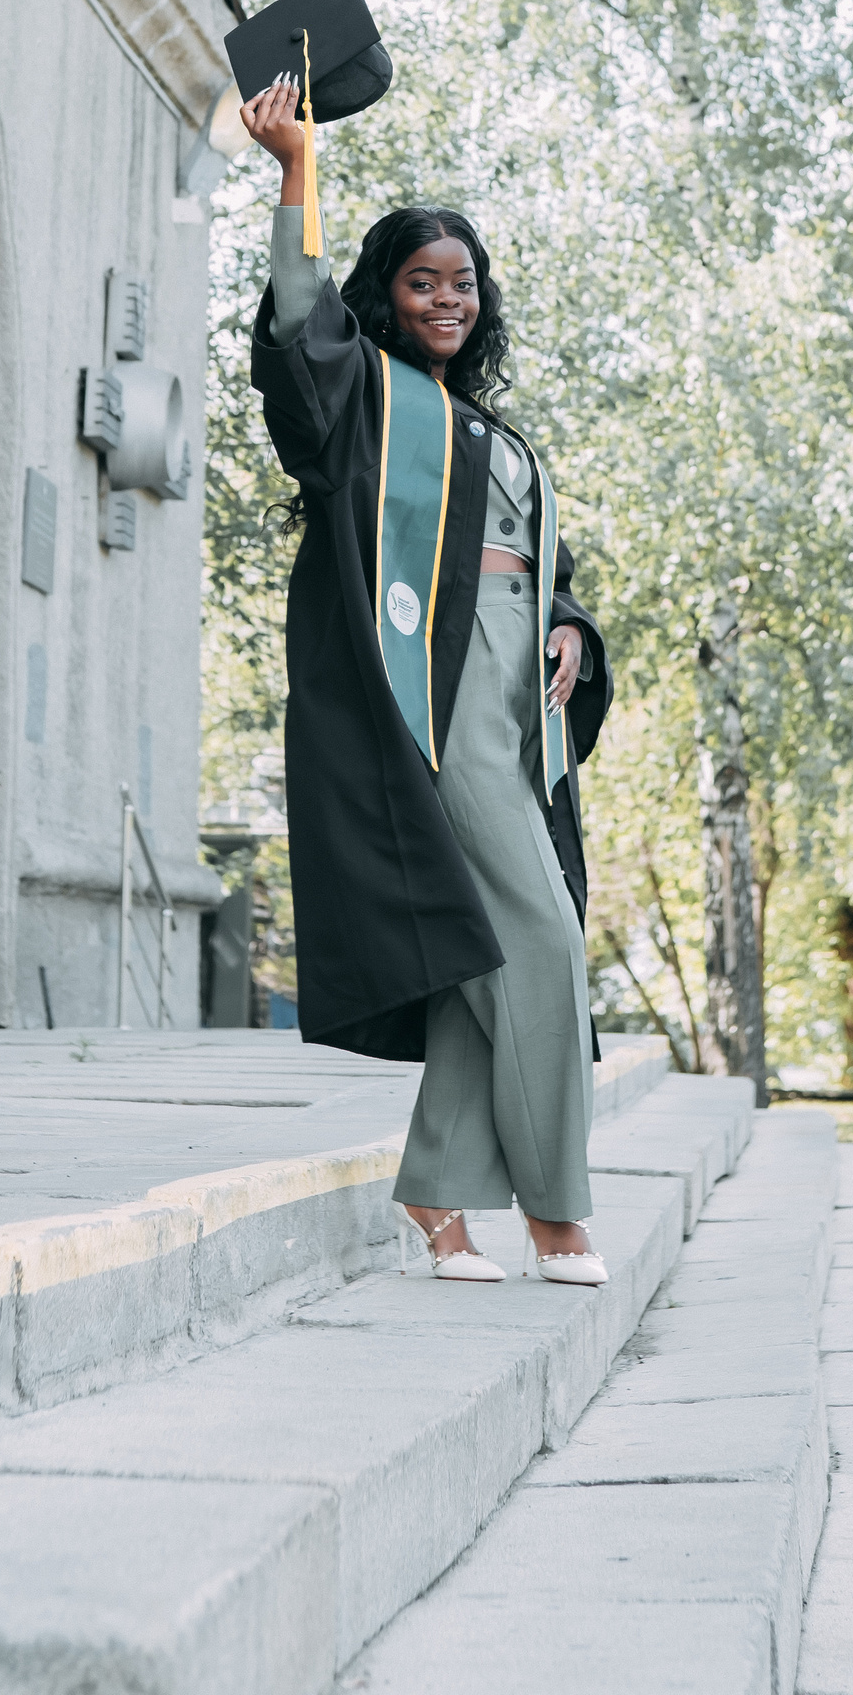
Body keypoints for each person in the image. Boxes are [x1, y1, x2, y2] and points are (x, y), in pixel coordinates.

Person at [243, 77, 614, 1286]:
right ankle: (558, 1211)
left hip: (516, 698)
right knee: (545, 938)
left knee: (486, 943)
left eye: (463, 283)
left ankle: (440, 1195)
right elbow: (299, 331)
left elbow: (539, 565)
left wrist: (569, 626)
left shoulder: (492, 431)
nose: (448, 300)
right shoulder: (366, 400)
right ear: (386, 297)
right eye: (422, 282)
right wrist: (296, 170)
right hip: (431, 701)